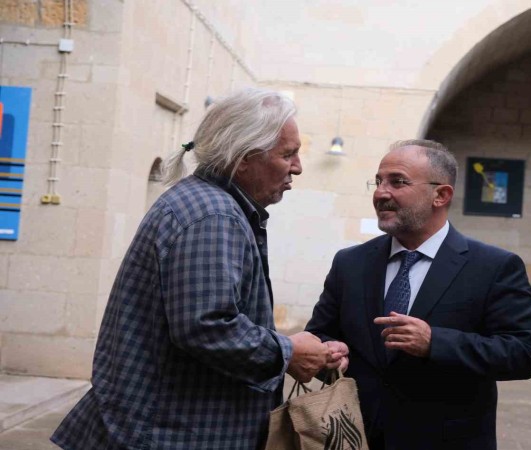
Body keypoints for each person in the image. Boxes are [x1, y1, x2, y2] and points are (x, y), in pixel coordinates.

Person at [51, 88, 348, 450]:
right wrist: (288, 352)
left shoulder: (211, 205)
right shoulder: (213, 215)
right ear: (243, 158)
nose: (297, 167)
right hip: (169, 435)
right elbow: (206, 327)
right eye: (288, 154)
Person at [306, 139, 531, 450]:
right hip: (356, 437)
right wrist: (329, 353)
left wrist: (436, 342)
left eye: (397, 182)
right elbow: (319, 334)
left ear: (441, 195)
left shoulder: (494, 267)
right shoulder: (350, 262)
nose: (381, 193)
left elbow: (525, 354)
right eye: (378, 181)